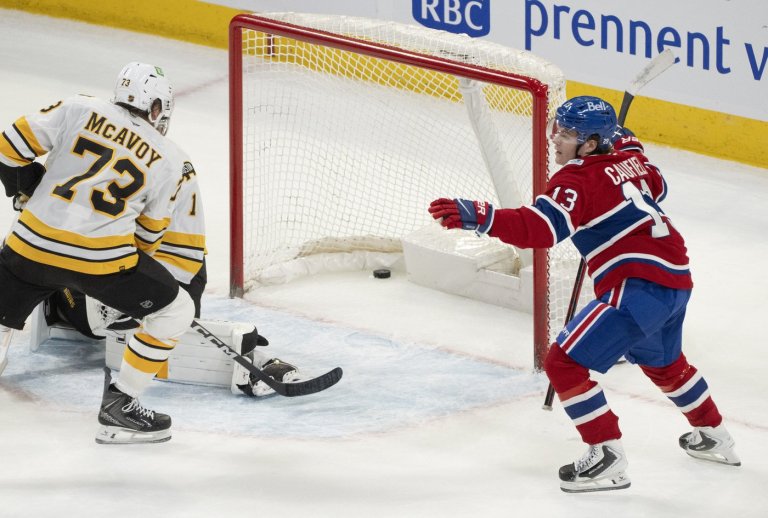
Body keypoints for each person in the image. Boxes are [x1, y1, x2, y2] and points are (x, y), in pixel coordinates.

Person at [428, 95, 740, 492]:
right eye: (557, 128)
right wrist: (626, 144)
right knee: (664, 363)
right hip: (675, 282)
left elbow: (540, 229)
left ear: (591, 144)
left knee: (562, 363)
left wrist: (484, 217)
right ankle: (714, 435)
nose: (556, 138)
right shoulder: (634, 159)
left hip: (635, 285)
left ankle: (606, 456)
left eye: (569, 133)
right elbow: (656, 186)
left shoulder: (576, 181)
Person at [0, 62, 197, 444]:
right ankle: (120, 406)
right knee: (176, 310)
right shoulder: (170, 157)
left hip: (29, 248)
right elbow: (148, 237)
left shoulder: (79, 107)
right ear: (156, 108)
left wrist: (26, 187)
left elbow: (7, 147)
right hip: (101, 265)